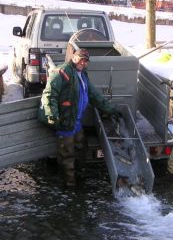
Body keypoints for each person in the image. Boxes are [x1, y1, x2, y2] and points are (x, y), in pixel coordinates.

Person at [38, 48, 119, 187]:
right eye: (80, 59)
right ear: (73, 57)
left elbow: (94, 96)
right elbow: (49, 94)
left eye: (85, 60)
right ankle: (69, 188)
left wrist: (111, 110)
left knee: (82, 148)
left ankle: (80, 180)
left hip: (76, 122)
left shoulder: (82, 74)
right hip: (65, 122)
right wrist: (52, 116)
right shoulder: (62, 72)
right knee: (67, 157)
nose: (83, 62)